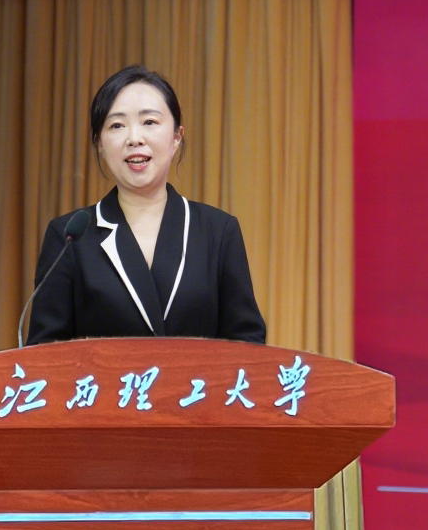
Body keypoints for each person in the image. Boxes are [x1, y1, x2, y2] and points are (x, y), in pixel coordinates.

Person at [26, 65, 266, 345]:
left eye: (149, 122)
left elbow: (248, 345)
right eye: (117, 126)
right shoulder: (69, 237)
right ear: (100, 143)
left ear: (176, 137)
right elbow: (44, 355)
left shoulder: (218, 231)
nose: (134, 138)